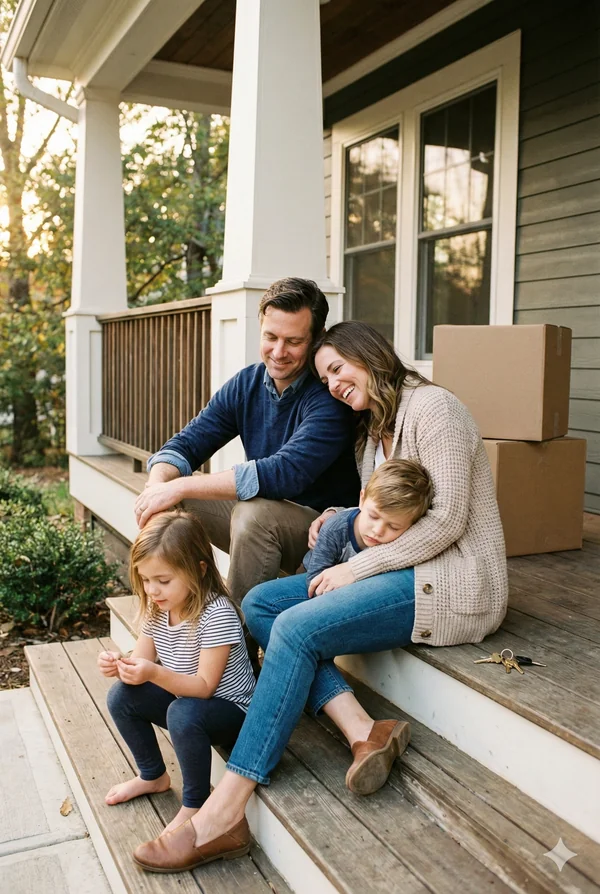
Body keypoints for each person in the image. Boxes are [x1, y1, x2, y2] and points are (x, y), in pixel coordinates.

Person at [132, 320, 508, 874]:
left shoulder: (436, 410)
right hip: (394, 569)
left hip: (449, 582)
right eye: (324, 375)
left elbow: (448, 518)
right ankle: (363, 728)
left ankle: (226, 809)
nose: (330, 384)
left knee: (295, 628)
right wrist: (346, 519)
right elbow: (385, 507)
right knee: (261, 604)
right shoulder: (371, 427)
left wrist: (359, 566)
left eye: (336, 369)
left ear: (370, 354)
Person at [134, 277, 359, 608]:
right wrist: (156, 490)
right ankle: (191, 619)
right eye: (270, 337)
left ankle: (235, 646)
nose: (278, 352)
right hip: (261, 524)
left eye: (293, 341)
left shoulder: (329, 395)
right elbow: (187, 444)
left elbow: (284, 473)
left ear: (315, 340)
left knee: (252, 513)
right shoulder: (247, 383)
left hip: (320, 534)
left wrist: (180, 487)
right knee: (170, 501)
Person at [98, 511, 256, 838]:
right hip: (189, 702)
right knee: (122, 696)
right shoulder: (160, 609)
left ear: (198, 570)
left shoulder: (218, 615)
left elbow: (203, 687)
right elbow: (139, 663)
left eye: (163, 580)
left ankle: (195, 803)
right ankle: (153, 775)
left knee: (181, 711)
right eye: (145, 580)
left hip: (233, 712)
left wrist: (152, 672)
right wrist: (121, 666)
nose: (153, 590)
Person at [304, 458, 433, 589]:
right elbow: (314, 581)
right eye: (373, 516)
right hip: (310, 573)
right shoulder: (334, 529)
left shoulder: (404, 542)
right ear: (362, 499)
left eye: (393, 527)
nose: (377, 531)